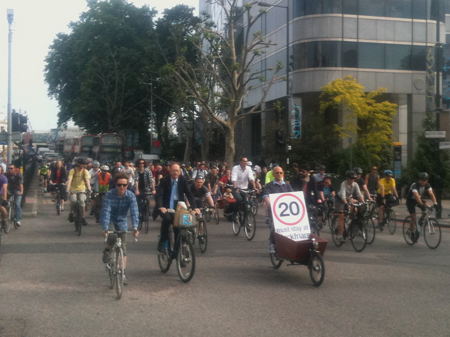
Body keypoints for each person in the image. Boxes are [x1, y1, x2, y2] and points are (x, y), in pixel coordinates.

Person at [100, 173, 139, 285]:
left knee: (123, 246)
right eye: (119, 185)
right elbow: (106, 211)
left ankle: (122, 272)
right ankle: (107, 249)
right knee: (111, 237)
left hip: (122, 219)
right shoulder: (109, 195)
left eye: (124, 185)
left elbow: (134, 212)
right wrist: (105, 228)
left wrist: (135, 227)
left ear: (127, 185)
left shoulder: (130, 195)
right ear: (115, 185)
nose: (122, 187)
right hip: (111, 219)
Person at [156, 162, 196, 252]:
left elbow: (189, 194)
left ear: (180, 171)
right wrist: (161, 206)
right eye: (173, 171)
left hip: (179, 207)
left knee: (183, 225)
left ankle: (181, 245)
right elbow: (159, 195)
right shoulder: (164, 180)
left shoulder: (183, 180)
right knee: (167, 220)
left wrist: (194, 207)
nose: (175, 173)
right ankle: (163, 241)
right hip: (166, 207)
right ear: (170, 171)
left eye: (177, 171)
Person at [263, 166, 294, 253]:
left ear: (283, 174)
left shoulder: (287, 185)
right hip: (274, 212)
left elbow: (293, 196)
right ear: (273, 174)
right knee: (274, 228)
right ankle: (272, 244)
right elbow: (266, 197)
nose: (279, 174)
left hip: (287, 212)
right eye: (277, 173)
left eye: (281, 173)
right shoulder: (269, 186)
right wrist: (271, 206)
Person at [405, 172, 437, 240]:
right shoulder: (415, 185)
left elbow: (431, 194)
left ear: (427, 180)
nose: (423, 181)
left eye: (425, 180)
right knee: (413, 217)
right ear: (419, 180)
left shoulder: (427, 185)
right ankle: (410, 230)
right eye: (422, 180)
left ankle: (421, 221)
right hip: (410, 201)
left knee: (427, 208)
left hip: (419, 199)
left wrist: (435, 202)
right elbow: (416, 196)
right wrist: (421, 204)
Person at [335, 170, 364, 240]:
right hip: (340, 200)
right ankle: (339, 234)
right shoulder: (343, 184)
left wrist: (363, 202)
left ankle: (349, 224)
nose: (352, 180)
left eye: (354, 178)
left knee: (355, 210)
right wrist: (346, 204)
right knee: (341, 216)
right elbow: (343, 196)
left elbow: (359, 194)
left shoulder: (355, 184)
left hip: (348, 199)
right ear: (347, 178)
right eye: (351, 178)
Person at [66, 158, 91, 226]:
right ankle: (71, 213)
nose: (83, 166)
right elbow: (70, 180)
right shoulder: (72, 171)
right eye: (82, 164)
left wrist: (89, 189)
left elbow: (87, 180)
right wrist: (67, 189)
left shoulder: (85, 171)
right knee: (73, 201)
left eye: (84, 164)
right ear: (78, 164)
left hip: (82, 189)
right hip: (73, 189)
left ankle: (83, 217)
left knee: (82, 202)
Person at [134, 159, 156, 224]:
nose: (141, 164)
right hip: (139, 188)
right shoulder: (136, 171)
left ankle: (148, 210)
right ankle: (140, 213)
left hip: (147, 188)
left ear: (144, 164)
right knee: (138, 202)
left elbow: (151, 180)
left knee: (148, 199)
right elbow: (136, 180)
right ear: (138, 164)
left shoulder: (147, 170)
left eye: (143, 163)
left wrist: (153, 189)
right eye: (140, 163)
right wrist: (137, 190)